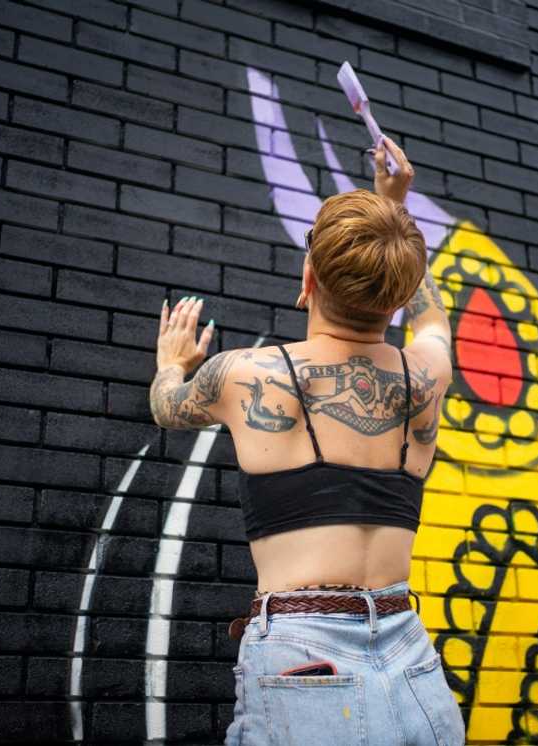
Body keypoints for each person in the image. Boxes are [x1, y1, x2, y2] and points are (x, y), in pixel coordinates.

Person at [149, 137, 462, 745]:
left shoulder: (247, 374)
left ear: (308, 278)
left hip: (305, 659)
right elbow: (431, 320)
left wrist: (171, 362)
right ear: (399, 296)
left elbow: (166, 407)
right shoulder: (429, 375)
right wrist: (395, 207)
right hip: (413, 658)